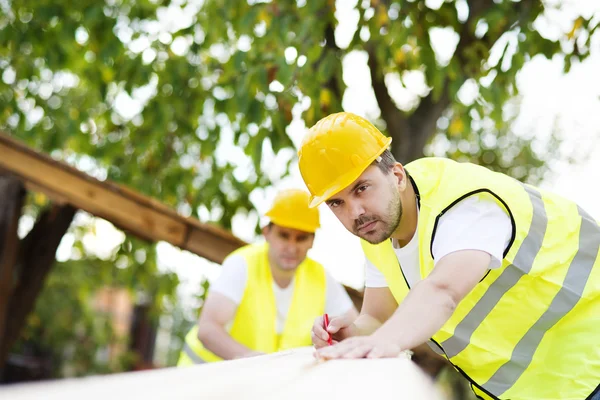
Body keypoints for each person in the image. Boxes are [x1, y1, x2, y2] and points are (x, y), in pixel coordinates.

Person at [297, 112, 600, 400]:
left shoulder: (464, 204)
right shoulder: (378, 232)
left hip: (590, 361)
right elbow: (378, 318)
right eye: (337, 203)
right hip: (533, 390)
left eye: (361, 188)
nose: (356, 212)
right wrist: (350, 334)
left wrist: (380, 343)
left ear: (397, 175)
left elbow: (442, 292)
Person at [177, 188, 358, 365]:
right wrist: (253, 360)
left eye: (301, 238)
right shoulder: (242, 264)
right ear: (267, 233)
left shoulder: (321, 278)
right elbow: (207, 329)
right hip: (201, 380)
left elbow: (356, 326)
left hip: (255, 384)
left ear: (312, 241)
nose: (291, 247)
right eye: (284, 235)